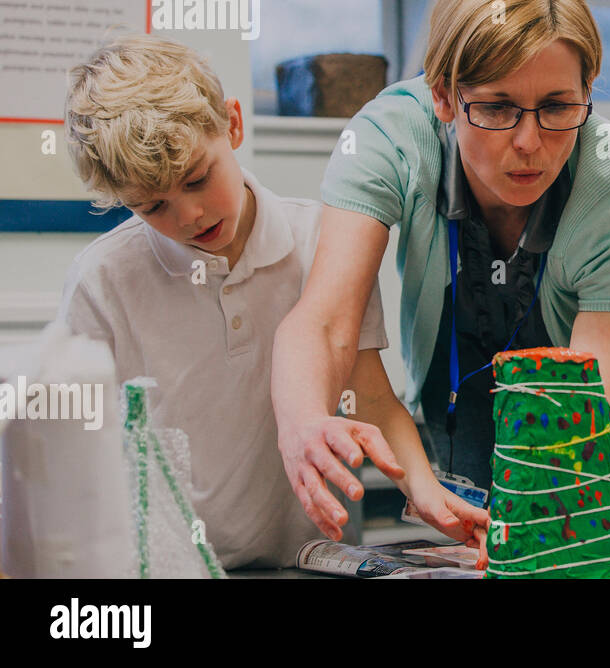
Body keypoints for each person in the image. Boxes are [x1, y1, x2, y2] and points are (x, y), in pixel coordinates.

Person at [272, 0, 610, 557]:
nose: (529, 143)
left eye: (559, 107)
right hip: (448, 444)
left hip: (584, 470)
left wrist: (559, 516)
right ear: (442, 96)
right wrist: (304, 420)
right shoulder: (389, 138)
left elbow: (576, 425)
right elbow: (329, 319)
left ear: (589, 92)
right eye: (495, 107)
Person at [57, 36, 411, 568]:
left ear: (233, 124)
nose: (189, 216)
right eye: (153, 206)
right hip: (166, 568)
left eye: (199, 178)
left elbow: (373, 399)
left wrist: (428, 497)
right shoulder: (101, 280)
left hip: (306, 557)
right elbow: (79, 454)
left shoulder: (321, 239)